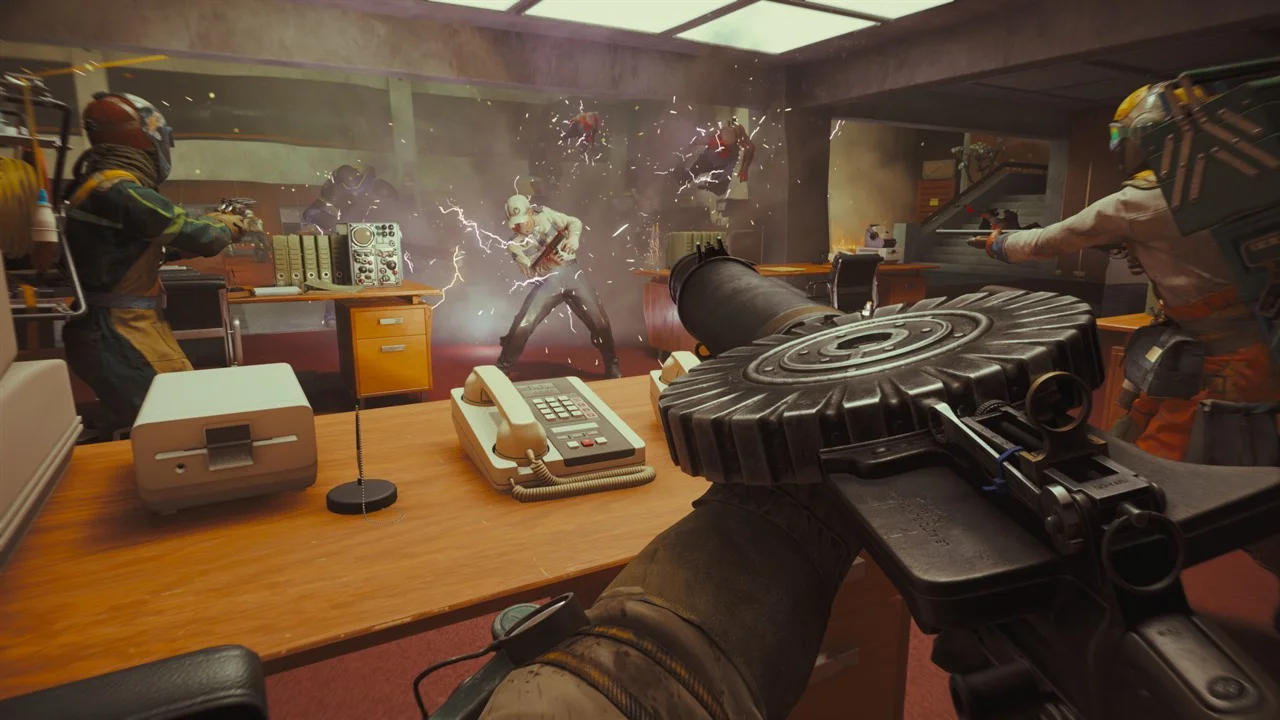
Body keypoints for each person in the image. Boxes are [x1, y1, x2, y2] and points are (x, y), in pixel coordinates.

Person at [966, 82, 1280, 625]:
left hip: (1223, 369)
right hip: (1238, 350)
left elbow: (1042, 242)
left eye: (1121, 137)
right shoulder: (1241, 187)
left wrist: (997, 243)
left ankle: (1133, 599)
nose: (1119, 147)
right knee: (1149, 456)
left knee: (1214, 484)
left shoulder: (1140, 201)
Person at [61, 92, 247, 436]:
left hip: (113, 327)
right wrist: (229, 225)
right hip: (120, 330)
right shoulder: (119, 190)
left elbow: (132, 253)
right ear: (146, 138)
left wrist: (188, 242)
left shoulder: (93, 186)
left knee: (167, 417)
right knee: (177, 424)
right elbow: (202, 237)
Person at [497, 194, 622, 379]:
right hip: (548, 281)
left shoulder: (545, 214)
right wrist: (547, 264)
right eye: (515, 223)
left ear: (530, 212)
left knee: (599, 320)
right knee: (524, 322)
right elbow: (530, 273)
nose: (521, 227)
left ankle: (612, 364)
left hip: (572, 272)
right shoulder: (513, 244)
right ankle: (502, 369)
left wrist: (573, 239)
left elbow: (574, 222)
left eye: (523, 220)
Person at [301, 164, 399, 234]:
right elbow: (311, 213)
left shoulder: (381, 189)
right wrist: (335, 226)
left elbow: (397, 217)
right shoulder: (336, 187)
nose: (355, 193)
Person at [679, 118, 755, 197]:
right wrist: (686, 147)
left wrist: (745, 167)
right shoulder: (714, 135)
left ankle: (712, 185)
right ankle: (679, 170)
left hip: (724, 164)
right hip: (707, 159)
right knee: (684, 180)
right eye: (723, 145)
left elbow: (750, 148)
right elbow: (697, 141)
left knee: (721, 188)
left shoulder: (738, 132)